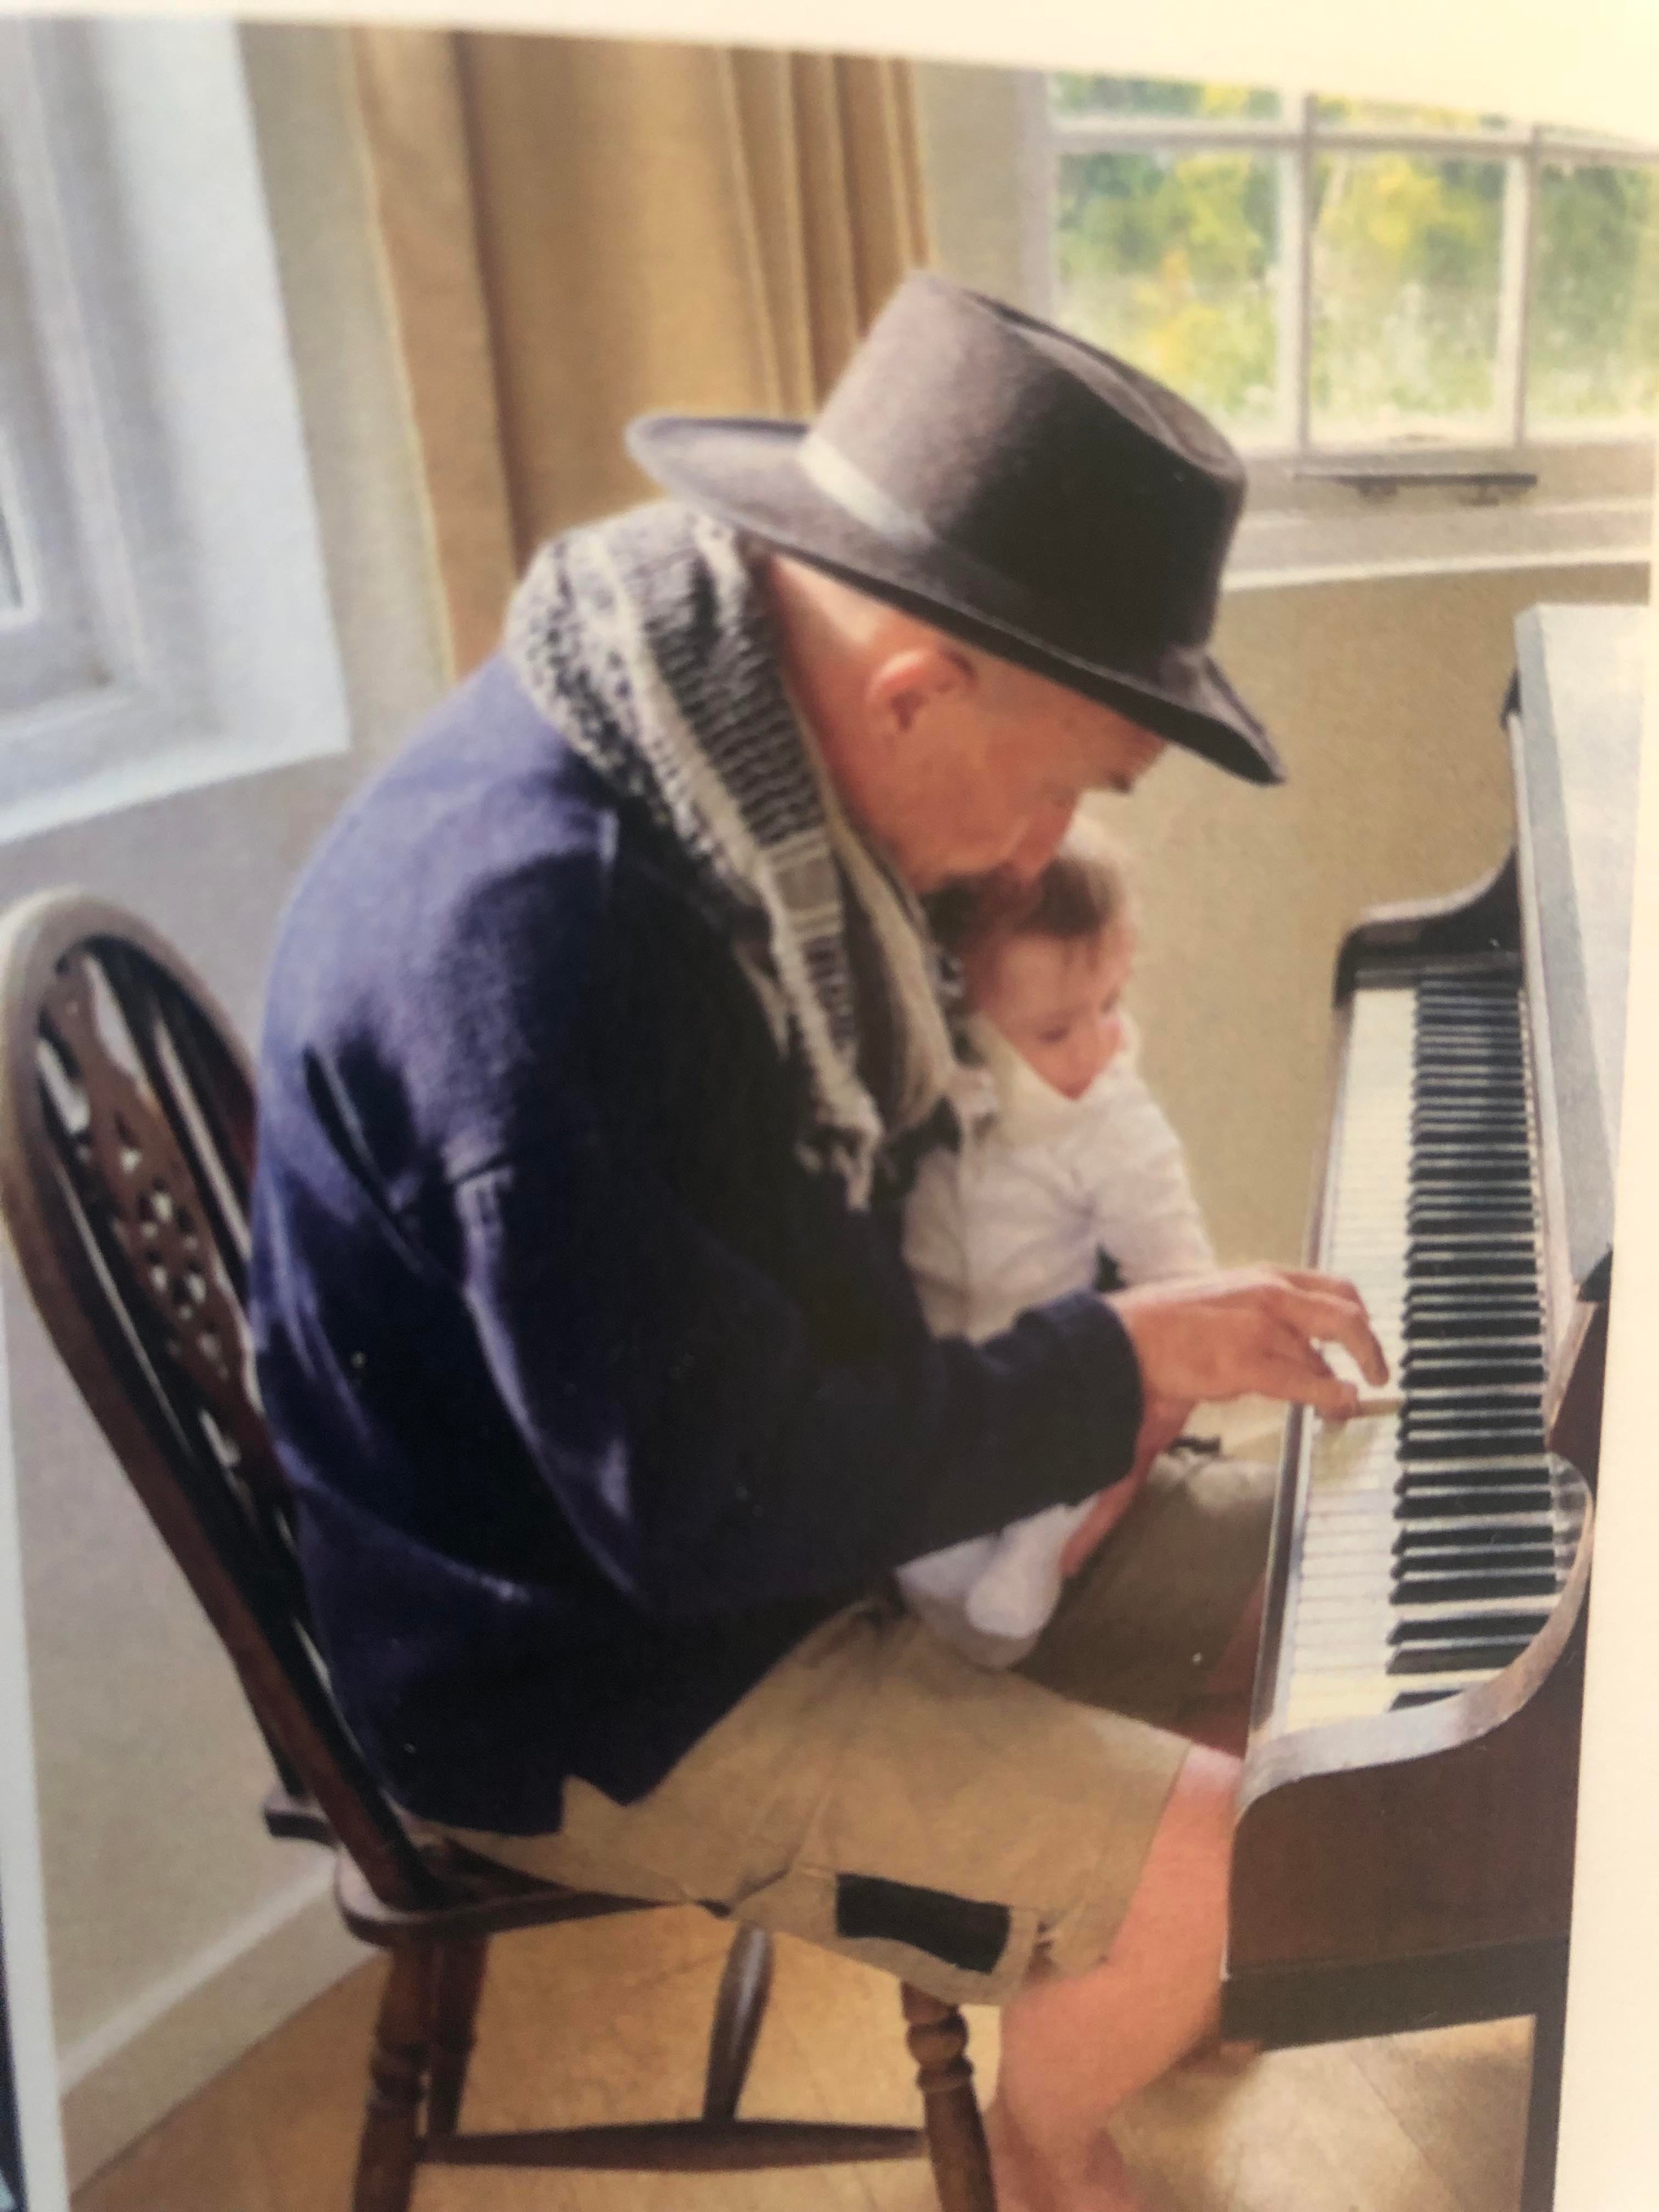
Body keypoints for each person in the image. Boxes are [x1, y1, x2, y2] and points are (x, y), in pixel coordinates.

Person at [249, 271, 1385, 2211]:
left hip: (712, 1519)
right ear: (913, 687)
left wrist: (1108, 1362)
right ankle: (1051, 2134)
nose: (1042, 860)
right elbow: (709, 1505)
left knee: (1298, 1578)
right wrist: (1120, 1361)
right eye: (1068, 786)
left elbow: (786, 1352)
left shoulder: (706, 749)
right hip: (594, 1665)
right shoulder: (565, 938)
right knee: (1246, 1849)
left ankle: (1102, 1969)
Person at [898, 823, 1217, 1665]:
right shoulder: (930, 1095)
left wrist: (1139, 1433)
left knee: (1086, 1431)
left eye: (1111, 1005)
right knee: (928, 1547)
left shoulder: (1114, 1120)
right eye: (1053, 1032)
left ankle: (1039, 1556)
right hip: (941, 1379)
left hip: (1059, 1380)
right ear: (965, 1023)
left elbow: (1180, 1279)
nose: (1100, 1044)